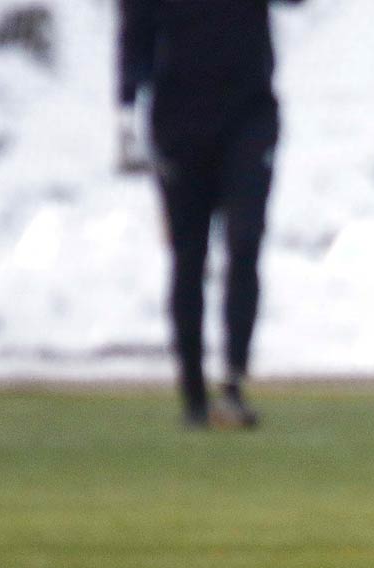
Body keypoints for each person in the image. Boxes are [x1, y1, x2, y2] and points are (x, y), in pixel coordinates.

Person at [117, 0, 301, 430]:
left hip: (248, 116)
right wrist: (125, 107)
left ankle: (233, 384)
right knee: (189, 256)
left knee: (244, 241)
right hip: (178, 122)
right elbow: (135, 33)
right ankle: (193, 394)